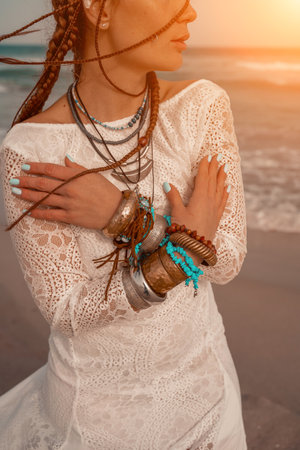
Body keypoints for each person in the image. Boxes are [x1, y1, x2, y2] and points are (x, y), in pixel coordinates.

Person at [0, 0, 248, 448]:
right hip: (95, 422)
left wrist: (129, 217)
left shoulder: (201, 107)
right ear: (100, 8)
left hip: (207, 402)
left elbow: (227, 258)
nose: (190, 14)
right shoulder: (31, 149)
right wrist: (184, 244)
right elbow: (67, 312)